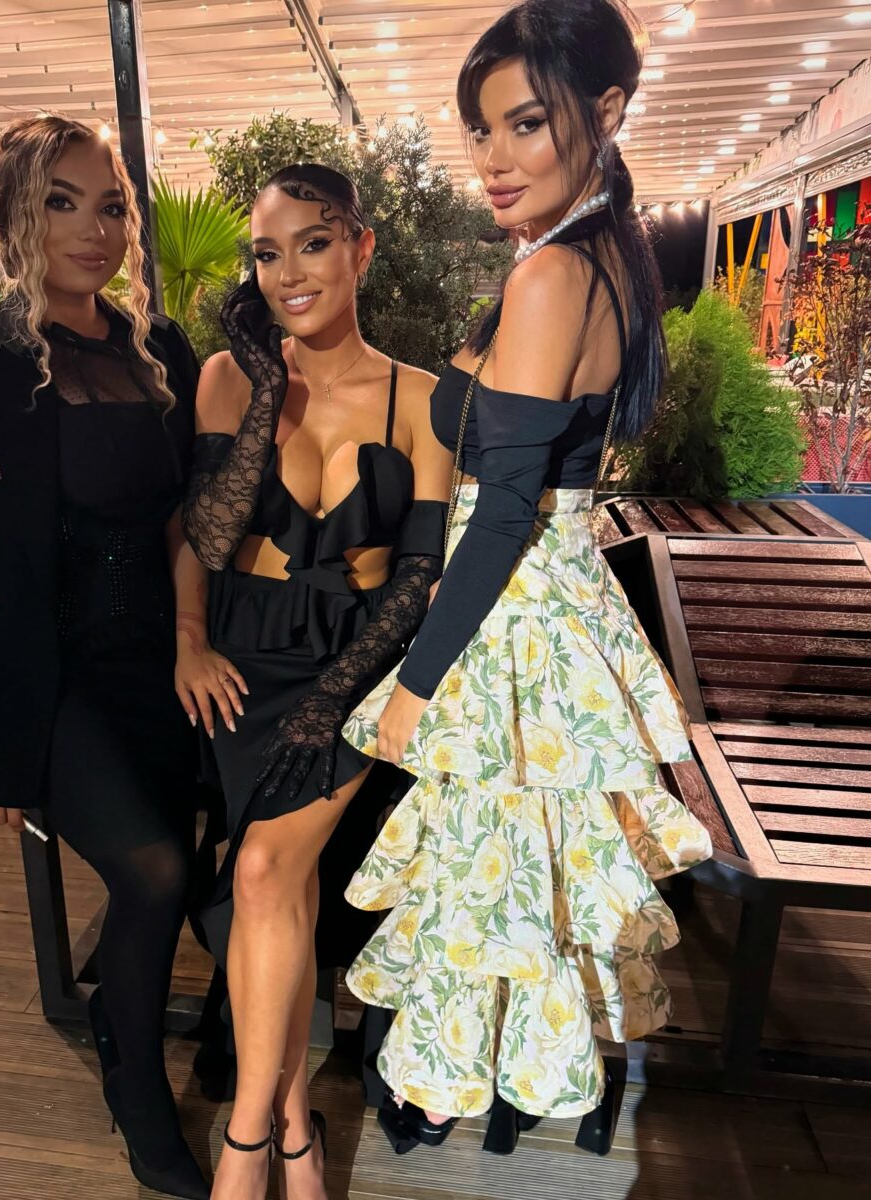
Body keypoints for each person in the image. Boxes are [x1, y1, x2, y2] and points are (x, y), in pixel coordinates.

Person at [340, 0, 713, 1154]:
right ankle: (507, 1079)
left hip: (512, 610)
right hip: (553, 598)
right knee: (531, 869)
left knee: (490, 869)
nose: (493, 158)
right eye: (480, 129)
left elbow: (500, 510)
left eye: (525, 124)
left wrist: (415, 686)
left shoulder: (555, 275)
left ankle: (455, 1086)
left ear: (605, 113)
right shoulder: (600, 257)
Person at [0, 115, 237, 1200]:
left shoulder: (159, 348)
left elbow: (186, 514)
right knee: (155, 870)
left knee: (226, 838)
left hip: (161, 656)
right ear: (15, 211)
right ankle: (133, 1077)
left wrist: (198, 638)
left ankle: (216, 1025)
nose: (94, 230)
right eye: (62, 202)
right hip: (46, 680)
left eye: (109, 207)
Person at [181, 163, 452, 1200]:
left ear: (361, 248)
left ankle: (246, 1143)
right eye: (267, 252)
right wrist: (265, 394)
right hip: (242, 664)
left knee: (259, 874)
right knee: (276, 889)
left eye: (314, 243)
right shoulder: (227, 376)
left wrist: (338, 697)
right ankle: (297, 1125)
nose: (289, 272)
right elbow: (209, 538)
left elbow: (418, 576)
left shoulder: (422, 398)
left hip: (357, 666)